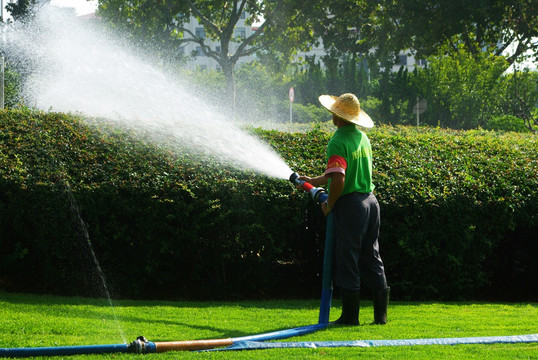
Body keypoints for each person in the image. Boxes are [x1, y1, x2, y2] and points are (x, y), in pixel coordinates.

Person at [298, 93, 389, 325]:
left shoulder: (337, 140)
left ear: (338, 117)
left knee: (347, 258)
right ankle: (381, 317)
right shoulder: (362, 138)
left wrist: (329, 204)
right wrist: (315, 181)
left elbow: (338, 181)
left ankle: (350, 318)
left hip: (352, 207)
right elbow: (337, 174)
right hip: (370, 202)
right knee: (371, 256)